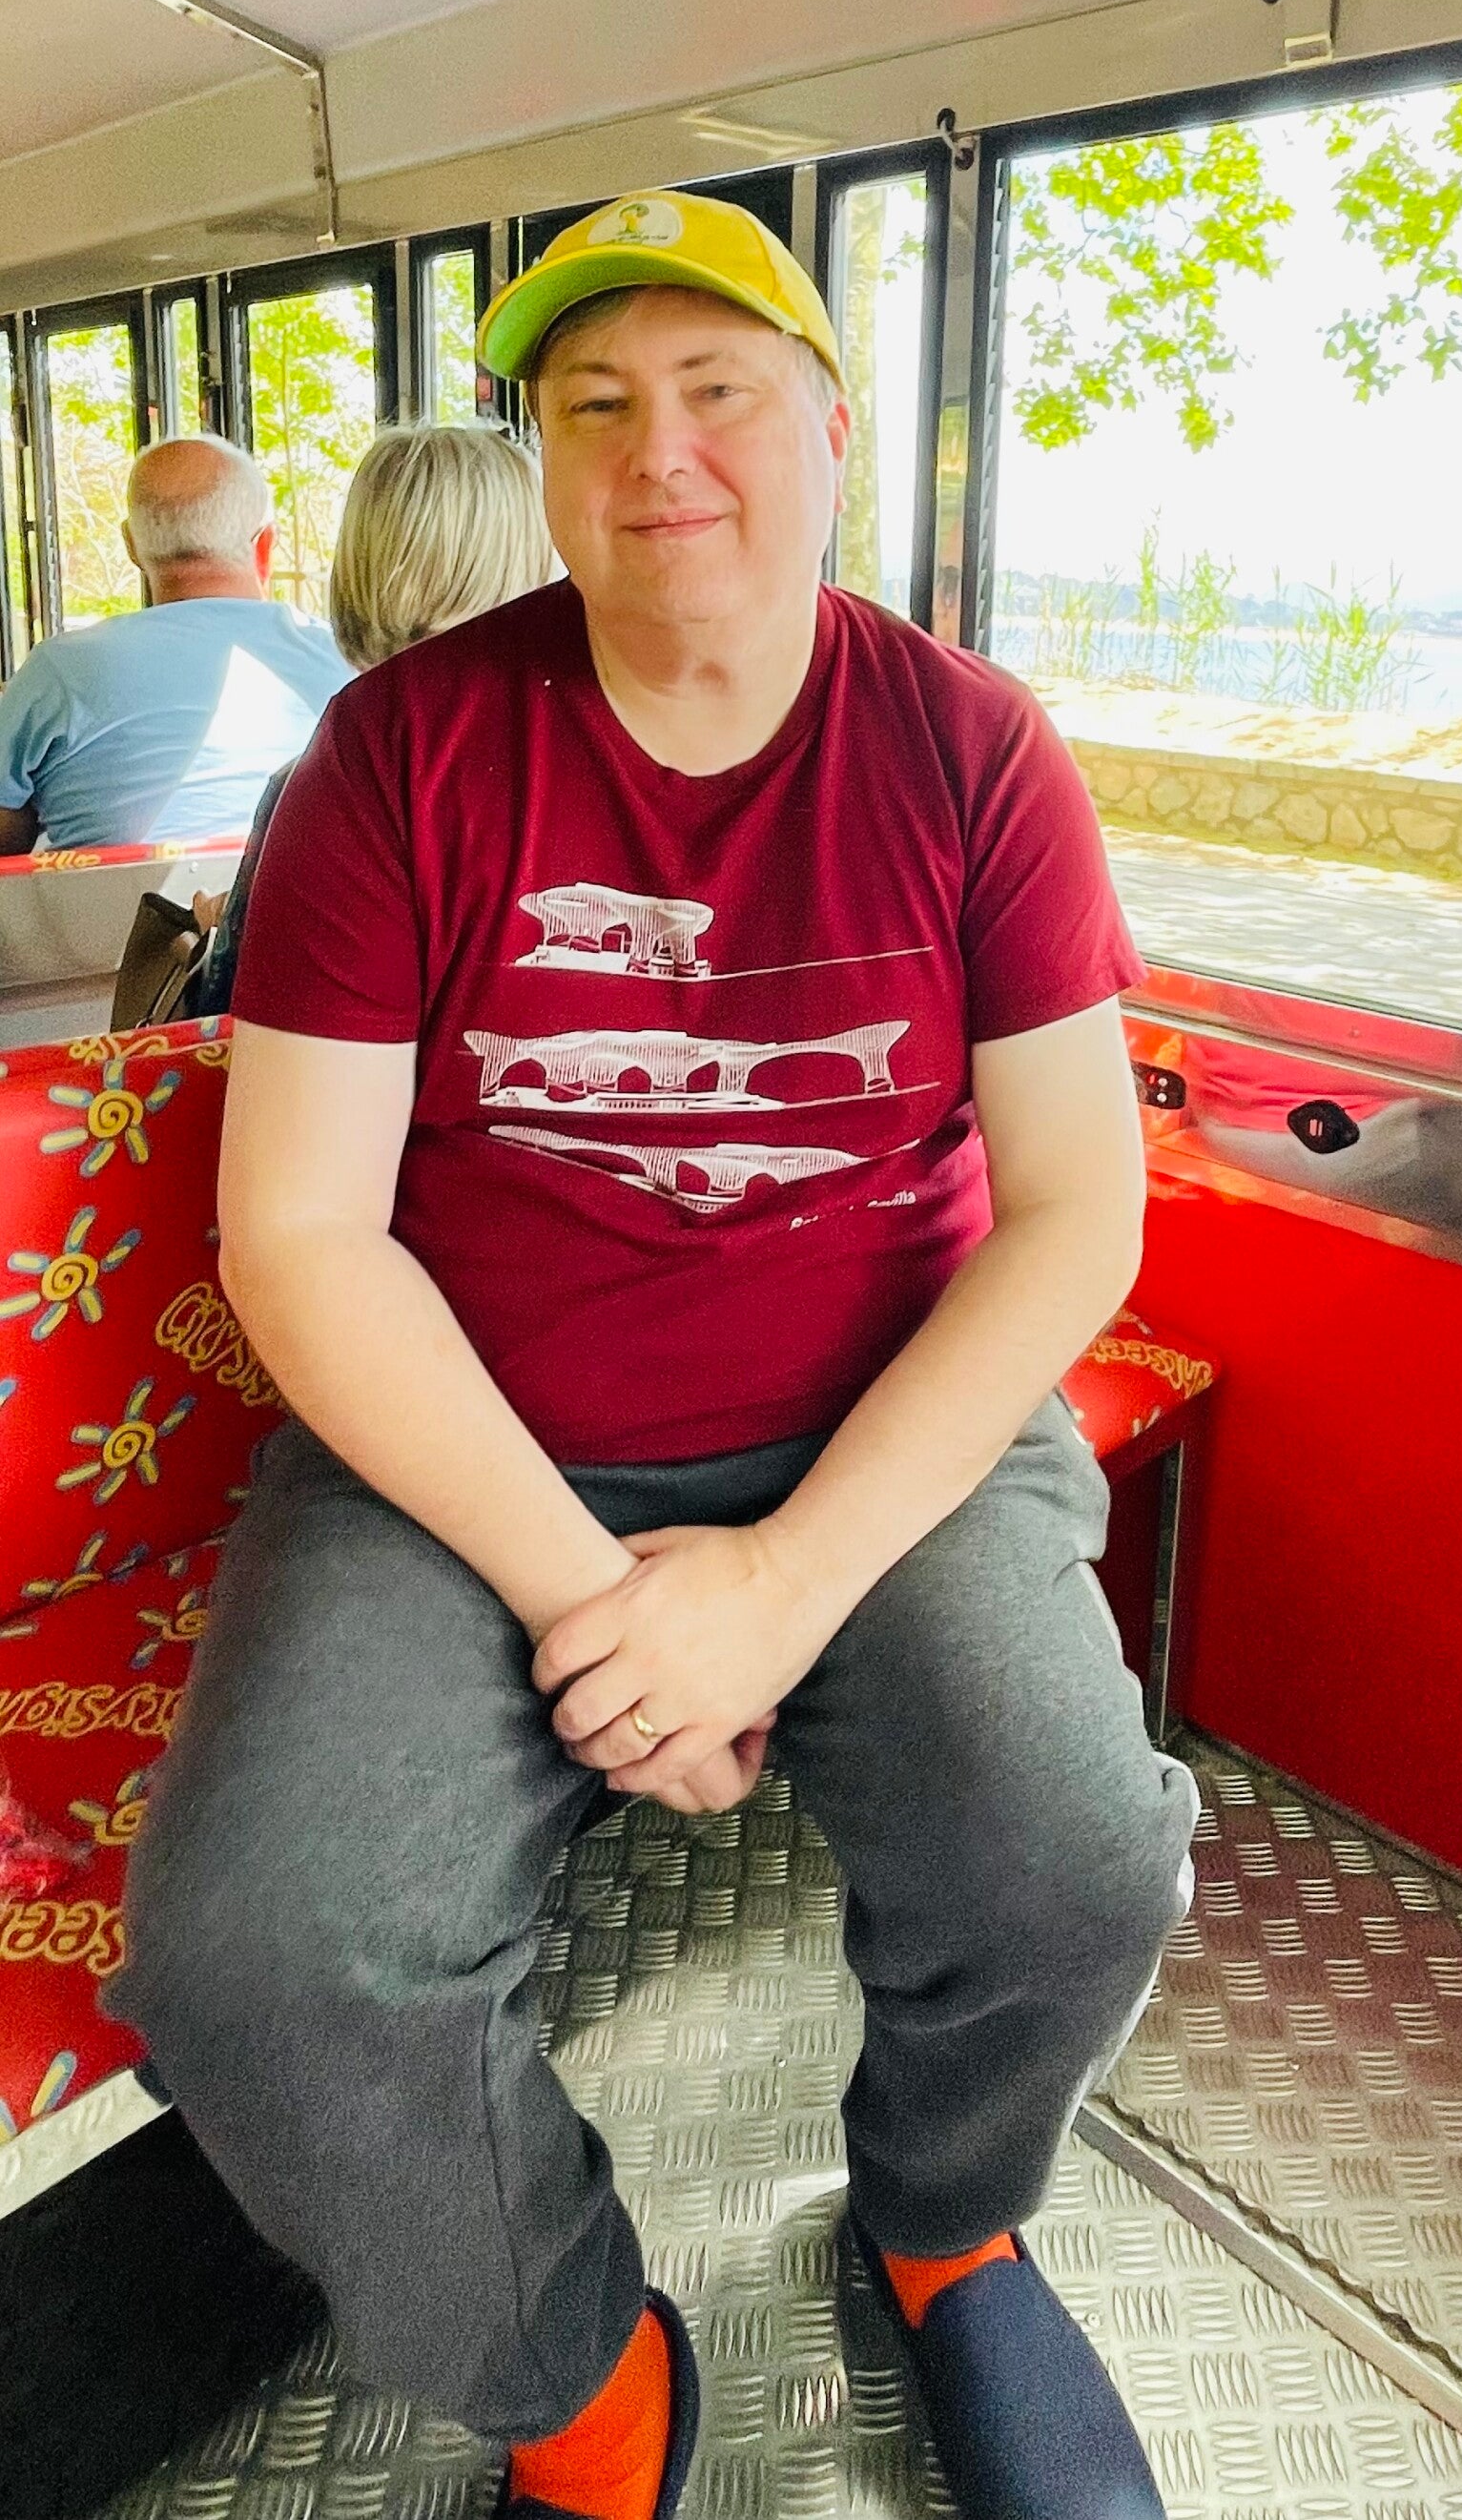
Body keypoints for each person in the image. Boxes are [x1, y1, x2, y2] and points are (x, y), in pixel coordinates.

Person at [113, 191, 1197, 2520]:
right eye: (593, 402)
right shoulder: (399, 756)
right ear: (543, 458)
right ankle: (580, 2372)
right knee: (256, 1959)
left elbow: (1076, 1212)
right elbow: (298, 1231)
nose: (658, 447)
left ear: (833, 430)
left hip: (882, 1421)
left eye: (718, 389)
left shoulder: (971, 750)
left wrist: (782, 1584)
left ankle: (945, 2217)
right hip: (461, 1449)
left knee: (1074, 1859)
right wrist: (601, 1604)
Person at [182, 418, 552, 1015]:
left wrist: (223, 928)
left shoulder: (326, 783)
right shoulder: (579, 775)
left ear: (360, 564)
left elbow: (236, 1013)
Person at [0, 433, 348, 853]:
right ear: (265, 546)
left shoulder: (59, 670)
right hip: (289, 893)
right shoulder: (344, 660)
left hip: (111, 899)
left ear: (132, 546)